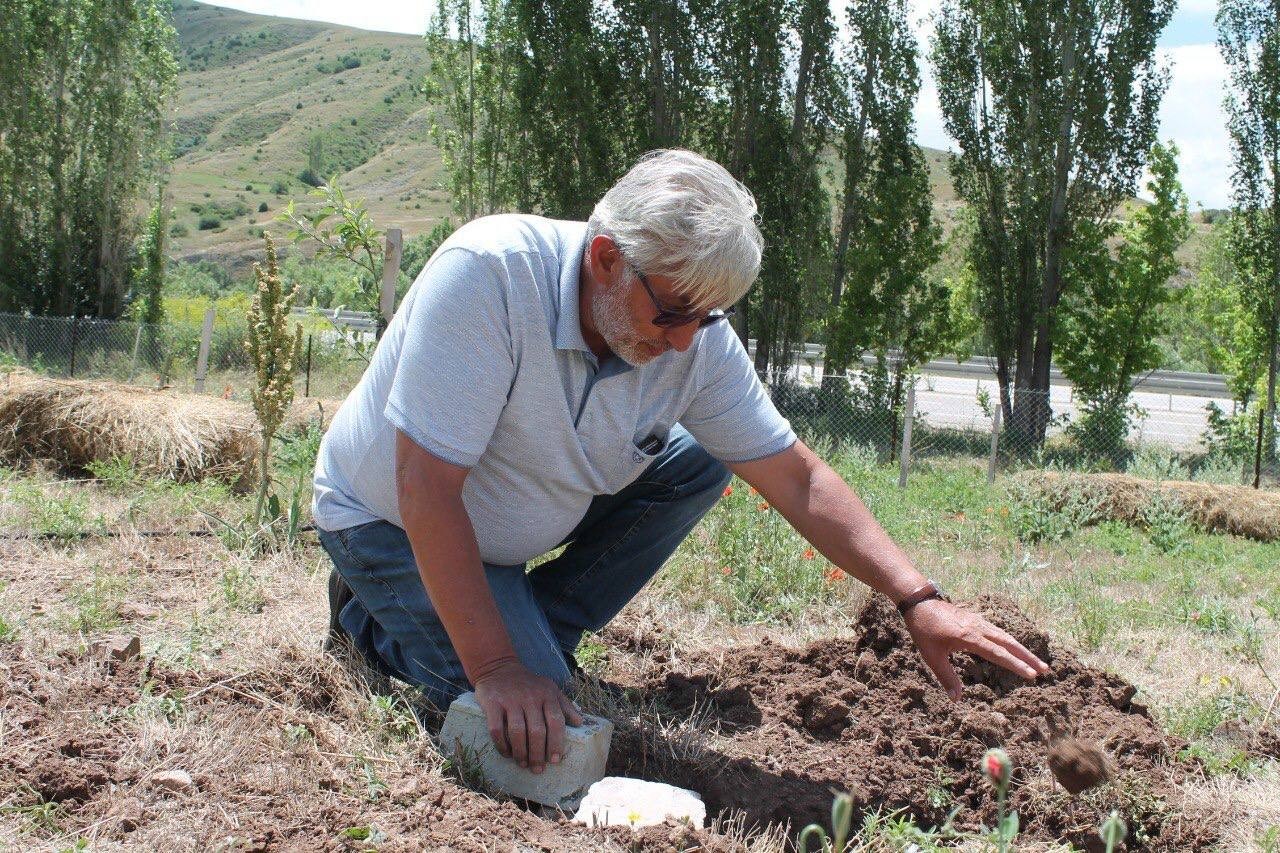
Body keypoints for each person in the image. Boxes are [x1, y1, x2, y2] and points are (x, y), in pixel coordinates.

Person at [312, 149, 1049, 778]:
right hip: (391, 520)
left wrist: (918, 597)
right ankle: (368, 617)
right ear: (606, 259)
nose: (687, 342)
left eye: (710, 317)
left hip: (499, 529)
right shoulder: (490, 278)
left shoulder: (688, 334)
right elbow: (426, 488)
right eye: (672, 313)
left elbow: (796, 474)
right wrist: (498, 671)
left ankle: (529, 625)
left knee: (697, 462)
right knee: (517, 722)